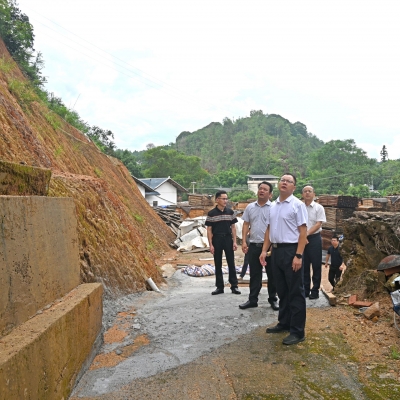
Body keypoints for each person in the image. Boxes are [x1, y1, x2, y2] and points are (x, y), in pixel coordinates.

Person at [259, 173, 308, 345]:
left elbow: (303, 233)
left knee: (295, 291)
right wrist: (264, 250)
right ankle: (284, 322)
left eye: (289, 181)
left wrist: (299, 255)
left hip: (291, 251)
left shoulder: (297, 205)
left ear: (294, 187)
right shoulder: (273, 206)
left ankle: (297, 331)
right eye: (283, 180)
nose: (285, 183)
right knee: (282, 290)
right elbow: (269, 230)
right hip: (277, 252)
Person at [239, 181, 279, 311]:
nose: (261, 191)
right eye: (260, 188)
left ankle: (273, 300)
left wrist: (273, 245)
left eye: (265, 189)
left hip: (269, 247)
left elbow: (276, 227)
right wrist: (244, 241)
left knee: (272, 274)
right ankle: (252, 300)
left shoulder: (274, 208)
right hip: (254, 245)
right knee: (255, 274)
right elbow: (245, 224)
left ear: (270, 194)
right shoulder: (250, 207)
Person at [206, 190, 241, 295]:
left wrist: (234, 242)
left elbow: (233, 228)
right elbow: (209, 230)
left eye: (226, 198)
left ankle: (234, 286)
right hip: (217, 239)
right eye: (223, 198)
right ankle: (219, 287)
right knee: (218, 263)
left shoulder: (230, 212)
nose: (225, 201)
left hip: (227, 238)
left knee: (231, 262)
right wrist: (211, 244)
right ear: (217, 200)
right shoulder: (211, 213)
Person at [302, 185, 326, 299]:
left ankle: (315, 290)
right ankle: (305, 289)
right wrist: (302, 236)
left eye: (309, 191)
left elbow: (318, 224)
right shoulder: (299, 207)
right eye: (305, 191)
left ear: (314, 194)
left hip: (314, 238)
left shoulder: (318, 208)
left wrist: (306, 234)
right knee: (304, 265)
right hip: (302, 239)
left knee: (316, 265)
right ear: (302, 194)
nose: (307, 193)